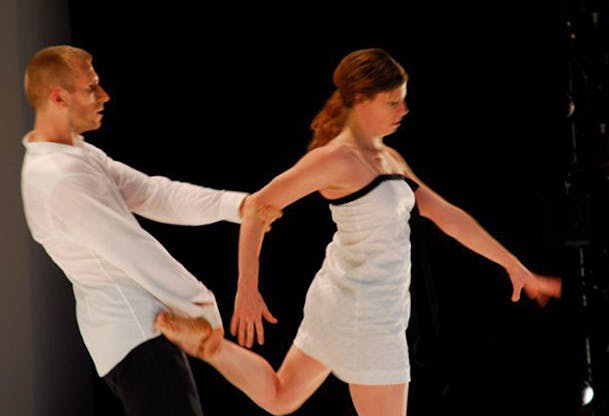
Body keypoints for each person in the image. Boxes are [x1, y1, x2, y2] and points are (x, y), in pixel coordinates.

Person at [154, 48, 562, 416]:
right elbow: (258, 207)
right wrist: (247, 288)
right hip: (365, 314)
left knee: (281, 398)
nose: (403, 109)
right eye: (392, 101)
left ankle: (206, 344)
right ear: (360, 100)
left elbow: (443, 213)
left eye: (403, 97)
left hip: (351, 300)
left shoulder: (387, 156)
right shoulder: (335, 160)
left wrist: (513, 265)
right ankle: (206, 344)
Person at [20, 45, 280, 416]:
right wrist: (203, 313)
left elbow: (152, 193)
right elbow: (135, 251)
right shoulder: (60, 179)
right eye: (91, 88)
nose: (104, 95)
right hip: (136, 336)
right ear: (58, 97)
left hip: (140, 334)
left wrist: (237, 206)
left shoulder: (74, 155)